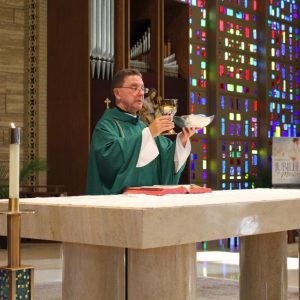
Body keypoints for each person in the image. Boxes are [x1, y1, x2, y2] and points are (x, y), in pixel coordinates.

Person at [86, 68, 198, 195]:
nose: (140, 93)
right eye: (134, 88)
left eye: (142, 89)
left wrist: (182, 138)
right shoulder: (106, 126)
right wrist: (149, 134)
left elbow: (165, 158)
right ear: (117, 93)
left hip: (148, 204)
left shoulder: (142, 126)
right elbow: (110, 160)